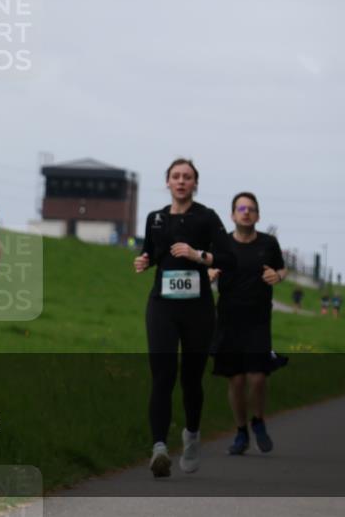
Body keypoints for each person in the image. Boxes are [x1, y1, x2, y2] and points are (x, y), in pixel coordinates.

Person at [134, 158, 236, 477]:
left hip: (198, 308)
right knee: (162, 375)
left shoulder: (206, 217)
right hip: (162, 305)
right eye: (175, 176)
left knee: (191, 379)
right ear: (167, 182)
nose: (181, 181)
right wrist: (144, 261)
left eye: (187, 177)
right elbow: (153, 252)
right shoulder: (156, 218)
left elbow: (229, 257)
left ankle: (191, 436)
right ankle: (159, 448)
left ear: (195, 183)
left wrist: (198, 256)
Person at [208, 192, 287, 455]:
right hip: (229, 320)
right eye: (241, 208)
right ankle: (241, 431)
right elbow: (207, 265)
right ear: (232, 215)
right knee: (237, 380)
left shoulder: (268, 243)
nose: (246, 212)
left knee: (257, 377)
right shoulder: (222, 245)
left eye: (251, 208)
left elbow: (282, 268)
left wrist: (278, 275)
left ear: (258, 215)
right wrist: (209, 271)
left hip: (258, 320)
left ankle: (259, 421)